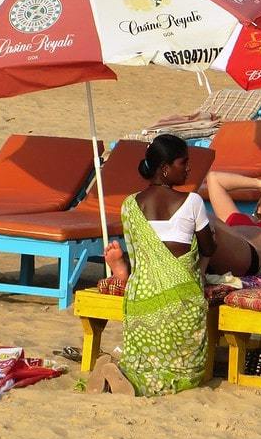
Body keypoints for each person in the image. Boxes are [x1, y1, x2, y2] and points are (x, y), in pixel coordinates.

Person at [88, 134, 216, 397]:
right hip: (180, 298)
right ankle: (132, 382)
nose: (188, 168)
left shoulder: (129, 206)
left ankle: (117, 369)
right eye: (184, 163)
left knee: (145, 358)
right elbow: (209, 248)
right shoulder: (192, 202)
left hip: (141, 299)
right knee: (186, 372)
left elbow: (139, 254)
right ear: (165, 168)